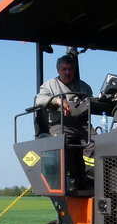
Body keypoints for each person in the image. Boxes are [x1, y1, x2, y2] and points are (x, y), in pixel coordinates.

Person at [35, 54, 94, 188]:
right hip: (60, 124)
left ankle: (90, 178)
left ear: (74, 70)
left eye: (70, 69)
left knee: (97, 143)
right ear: (58, 70)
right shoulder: (50, 85)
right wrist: (58, 101)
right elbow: (39, 100)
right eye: (64, 69)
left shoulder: (84, 87)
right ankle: (72, 177)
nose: (67, 72)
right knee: (62, 144)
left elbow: (91, 103)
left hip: (82, 125)